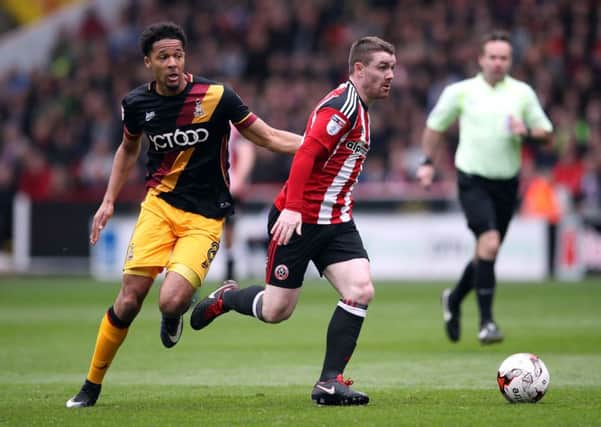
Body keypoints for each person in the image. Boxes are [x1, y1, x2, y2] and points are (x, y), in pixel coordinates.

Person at [66, 22, 300, 408]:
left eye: (178, 55)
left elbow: (267, 136)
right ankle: (91, 385)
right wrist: (108, 201)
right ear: (148, 63)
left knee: (170, 301)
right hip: (158, 208)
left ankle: (173, 315)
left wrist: (316, 145)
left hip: (205, 218)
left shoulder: (217, 96)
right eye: (164, 57)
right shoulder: (136, 104)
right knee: (128, 301)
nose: (173, 63)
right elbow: (127, 149)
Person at [190, 36, 396, 406]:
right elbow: (304, 156)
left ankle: (329, 382)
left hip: (336, 221)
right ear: (359, 69)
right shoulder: (342, 106)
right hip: (299, 220)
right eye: (383, 67)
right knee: (276, 311)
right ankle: (227, 298)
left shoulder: (362, 110)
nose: (390, 75)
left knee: (361, 290)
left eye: (393, 68)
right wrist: (293, 208)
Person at [416, 30, 553, 344]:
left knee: (485, 252)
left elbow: (547, 134)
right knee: (489, 244)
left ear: (510, 60)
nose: (497, 63)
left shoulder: (522, 94)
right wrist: (427, 162)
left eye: (503, 57)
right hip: (472, 179)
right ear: (480, 59)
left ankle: (453, 298)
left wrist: (528, 131)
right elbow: (434, 127)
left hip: (507, 183)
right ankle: (487, 322)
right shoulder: (461, 92)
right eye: (492, 57)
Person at [222, 126, 256, 280]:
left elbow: (246, 152)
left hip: (228, 187)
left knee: (229, 227)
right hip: (210, 187)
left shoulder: (234, 127)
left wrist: (239, 181)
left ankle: (230, 265)